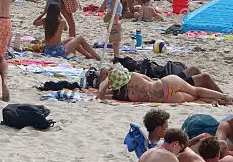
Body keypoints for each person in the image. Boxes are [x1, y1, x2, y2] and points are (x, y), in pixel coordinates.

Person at [97, 65, 232, 104]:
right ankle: (225, 97)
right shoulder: (133, 75)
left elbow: (99, 97)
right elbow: (149, 79)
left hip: (167, 98)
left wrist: (107, 83)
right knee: (196, 91)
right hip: (167, 84)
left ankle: (224, 101)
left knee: (197, 98)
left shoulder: (119, 95)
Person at [33, 5, 99, 60]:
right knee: (79, 38)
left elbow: (35, 23)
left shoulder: (45, 21)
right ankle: (97, 57)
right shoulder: (61, 22)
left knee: (71, 38)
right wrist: (60, 15)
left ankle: (88, 55)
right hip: (58, 52)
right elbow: (66, 28)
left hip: (48, 50)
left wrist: (44, 13)